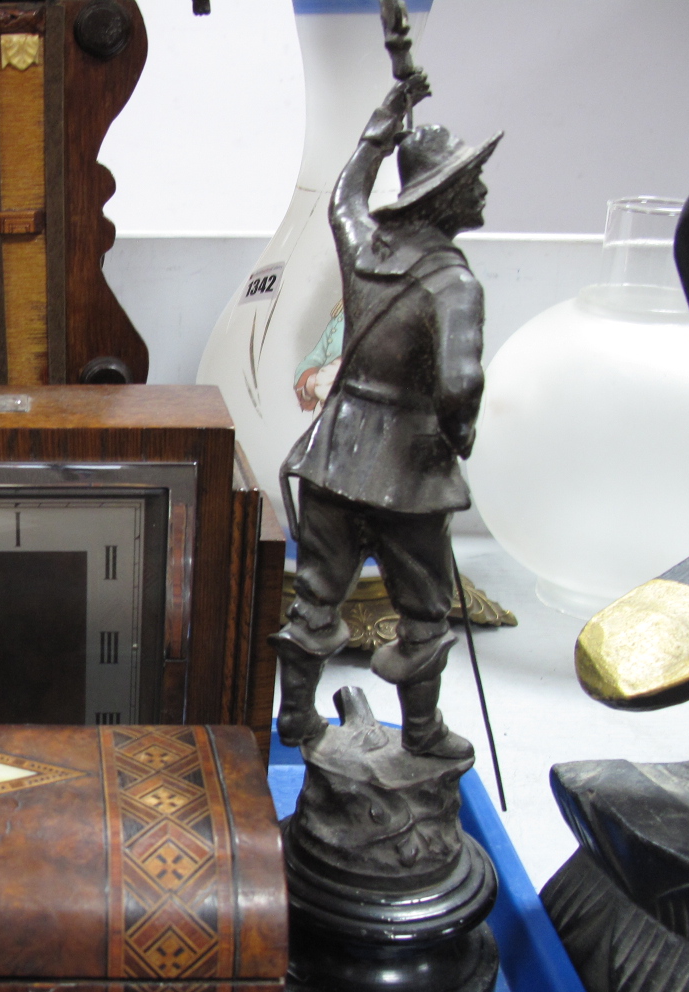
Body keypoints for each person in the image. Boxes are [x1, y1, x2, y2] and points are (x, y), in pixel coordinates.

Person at [272, 72, 500, 759]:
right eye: (474, 178)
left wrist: (384, 121)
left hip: (335, 454)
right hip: (409, 469)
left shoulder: (365, 248)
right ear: (448, 196)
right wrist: (459, 436)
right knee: (424, 611)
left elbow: (344, 194)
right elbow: (460, 383)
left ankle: (296, 721)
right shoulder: (454, 282)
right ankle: (424, 730)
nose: (484, 188)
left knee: (316, 601)